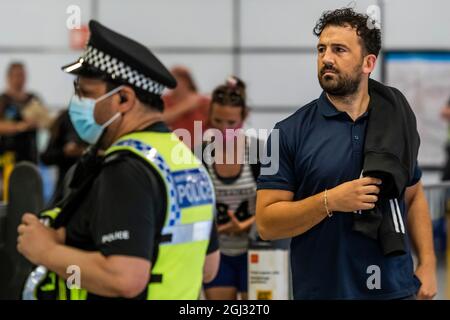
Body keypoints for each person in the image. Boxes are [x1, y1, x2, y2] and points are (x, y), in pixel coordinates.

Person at [17, 20, 219, 300]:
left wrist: (47, 251)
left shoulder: (126, 170)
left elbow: (125, 278)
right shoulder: (186, 160)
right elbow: (208, 268)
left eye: (86, 93)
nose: (77, 103)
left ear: (124, 99)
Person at [256, 8, 437, 300]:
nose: (326, 58)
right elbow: (266, 224)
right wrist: (331, 201)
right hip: (324, 291)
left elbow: (414, 195)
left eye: (339, 50)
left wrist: (428, 263)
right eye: (321, 49)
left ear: (368, 62)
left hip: (396, 289)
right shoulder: (286, 132)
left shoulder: (396, 120)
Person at [202, 76, 260, 300]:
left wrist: (246, 225)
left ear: (243, 118)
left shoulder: (259, 153)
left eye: (231, 124)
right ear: (209, 116)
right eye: (217, 121)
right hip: (217, 252)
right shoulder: (200, 155)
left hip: (255, 249)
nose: (223, 129)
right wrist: (217, 229)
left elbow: (276, 202)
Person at [40, 109, 87, 204]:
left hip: (88, 187)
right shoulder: (65, 118)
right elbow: (46, 157)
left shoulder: (95, 119)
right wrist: (64, 152)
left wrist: (85, 151)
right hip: (64, 188)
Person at [0, 62, 41, 163]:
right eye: (17, 75)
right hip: (8, 155)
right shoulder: (3, 100)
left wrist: (36, 122)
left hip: (30, 155)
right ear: (9, 77)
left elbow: (46, 122)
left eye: (22, 75)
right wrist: (20, 126)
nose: (20, 79)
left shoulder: (33, 99)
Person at [162, 66, 210, 149]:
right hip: (172, 147)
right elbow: (160, 119)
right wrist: (186, 106)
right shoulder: (165, 100)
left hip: (197, 149)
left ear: (186, 81)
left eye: (177, 79)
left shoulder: (202, 101)